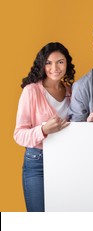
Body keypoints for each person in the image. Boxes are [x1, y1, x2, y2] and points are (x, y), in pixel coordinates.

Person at [14, 42, 75, 212]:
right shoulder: (31, 91)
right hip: (37, 163)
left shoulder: (72, 92)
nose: (54, 67)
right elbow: (19, 134)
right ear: (42, 65)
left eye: (60, 62)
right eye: (48, 63)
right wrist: (43, 130)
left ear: (67, 64)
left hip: (66, 160)